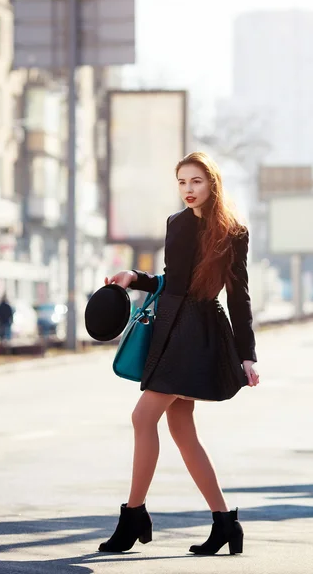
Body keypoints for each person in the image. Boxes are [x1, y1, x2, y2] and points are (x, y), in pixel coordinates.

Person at [101, 151, 260, 556]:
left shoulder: (233, 232)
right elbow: (173, 280)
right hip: (169, 327)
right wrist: (135, 278)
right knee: (182, 430)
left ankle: (134, 515)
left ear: (213, 185)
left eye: (196, 182)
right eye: (182, 182)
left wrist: (247, 354)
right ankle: (225, 523)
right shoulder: (175, 223)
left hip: (197, 332)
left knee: (143, 416)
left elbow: (238, 296)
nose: (188, 190)